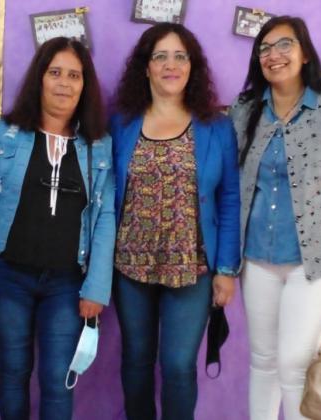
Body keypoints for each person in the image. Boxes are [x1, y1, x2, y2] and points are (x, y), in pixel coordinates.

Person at [0, 37, 115, 420]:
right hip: (7, 275)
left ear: (85, 84)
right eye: (55, 72)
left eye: (74, 75)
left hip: (67, 283)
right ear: (39, 79)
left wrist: (97, 286)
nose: (64, 83)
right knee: (12, 375)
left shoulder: (98, 144)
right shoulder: (5, 133)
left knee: (58, 378)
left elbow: (105, 218)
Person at [228, 15, 321, 420]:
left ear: (304, 51)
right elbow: (229, 180)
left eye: (284, 45)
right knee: (263, 360)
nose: (273, 56)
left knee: (295, 364)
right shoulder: (245, 110)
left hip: (315, 262)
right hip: (256, 258)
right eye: (264, 49)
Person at [108, 22, 241, 420]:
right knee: (135, 361)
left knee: (179, 366)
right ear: (145, 67)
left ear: (192, 67)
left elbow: (229, 198)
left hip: (192, 267)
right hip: (130, 265)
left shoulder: (216, 126)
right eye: (160, 56)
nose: (171, 64)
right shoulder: (121, 123)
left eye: (180, 56)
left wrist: (226, 269)